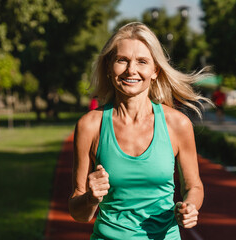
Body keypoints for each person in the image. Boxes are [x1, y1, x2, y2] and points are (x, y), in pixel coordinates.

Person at [69, 22, 211, 239]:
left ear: (155, 70)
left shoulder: (177, 124)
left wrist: (190, 206)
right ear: (109, 66)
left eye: (142, 61)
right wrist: (91, 198)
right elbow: (79, 214)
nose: (131, 70)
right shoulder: (90, 125)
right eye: (122, 60)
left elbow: (194, 186)